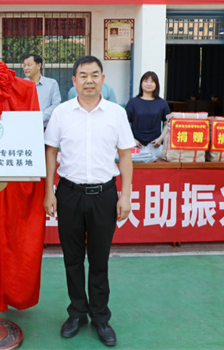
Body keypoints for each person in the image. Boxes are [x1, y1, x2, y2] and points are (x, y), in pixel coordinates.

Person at [44, 55, 134, 347]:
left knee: (99, 260)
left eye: (95, 75)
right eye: (83, 75)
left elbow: (125, 156)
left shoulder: (116, 113)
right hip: (69, 194)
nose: (89, 81)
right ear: (74, 81)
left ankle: (100, 317)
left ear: (103, 79)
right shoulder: (61, 113)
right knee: (72, 259)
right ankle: (77, 314)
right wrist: (49, 191)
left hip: (104, 195)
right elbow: (50, 152)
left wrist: (125, 195)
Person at [125, 71, 171, 158]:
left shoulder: (162, 103)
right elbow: (124, 124)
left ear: (156, 84)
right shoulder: (133, 102)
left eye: (152, 82)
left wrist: (160, 138)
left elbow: (167, 124)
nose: (149, 84)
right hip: (136, 145)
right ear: (141, 83)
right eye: (146, 81)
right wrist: (132, 139)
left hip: (156, 146)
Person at [22, 53, 61, 128]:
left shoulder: (52, 83)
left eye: (29, 65)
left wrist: (40, 117)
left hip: (46, 127)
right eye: (24, 65)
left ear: (38, 65)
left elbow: (56, 105)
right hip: (25, 126)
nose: (26, 68)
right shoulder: (21, 84)